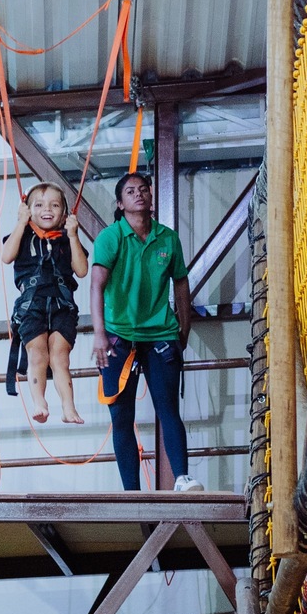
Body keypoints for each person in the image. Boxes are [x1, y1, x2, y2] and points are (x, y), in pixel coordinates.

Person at [90, 172, 204, 491]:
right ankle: (131, 491)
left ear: (151, 197)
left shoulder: (167, 238)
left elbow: (180, 282)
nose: (138, 194)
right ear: (120, 203)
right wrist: (99, 333)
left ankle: (181, 477)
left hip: (160, 332)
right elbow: (96, 285)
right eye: (130, 191)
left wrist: (184, 325)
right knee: (121, 416)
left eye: (143, 189)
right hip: (118, 335)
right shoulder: (110, 238)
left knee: (168, 407)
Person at [1, 182, 89, 424]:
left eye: (54, 205)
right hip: (32, 305)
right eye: (38, 205)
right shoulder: (23, 234)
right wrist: (21, 223)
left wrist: (73, 235)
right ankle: (39, 402)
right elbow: (6, 256)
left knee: (60, 357)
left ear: (63, 213)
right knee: (37, 354)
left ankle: (68, 407)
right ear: (28, 210)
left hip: (62, 305)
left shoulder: (66, 239)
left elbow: (81, 270)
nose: (46, 209)